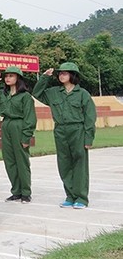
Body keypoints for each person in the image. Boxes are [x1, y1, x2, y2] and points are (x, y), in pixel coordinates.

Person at [32, 62, 96, 209]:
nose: (61, 75)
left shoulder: (82, 94)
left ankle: (81, 197)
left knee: (79, 164)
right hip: (60, 130)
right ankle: (70, 196)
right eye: (60, 73)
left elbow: (90, 117)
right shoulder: (54, 92)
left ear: (73, 75)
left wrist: (88, 138)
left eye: (65, 73)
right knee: (64, 164)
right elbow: (37, 93)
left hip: (77, 130)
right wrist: (44, 78)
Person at [0, 67, 36, 204]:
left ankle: (26, 192)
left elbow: (30, 118)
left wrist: (26, 136)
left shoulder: (25, 96)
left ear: (18, 78)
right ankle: (16, 191)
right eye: (6, 76)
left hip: (19, 125)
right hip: (6, 125)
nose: (7, 78)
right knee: (9, 160)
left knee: (21, 161)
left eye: (11, 76)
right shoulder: (2, 94)